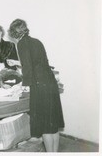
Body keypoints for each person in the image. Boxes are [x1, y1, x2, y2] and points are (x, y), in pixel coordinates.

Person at [8, 19, 64, 152]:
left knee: (45, 125)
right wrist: (17, 63)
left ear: (14, 33)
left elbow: (28, 67)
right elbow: (38, 63)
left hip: (40, 87)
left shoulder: (21, 44)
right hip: (50, 83)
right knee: (53, 125)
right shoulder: (36, 41)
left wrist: (23, 86)